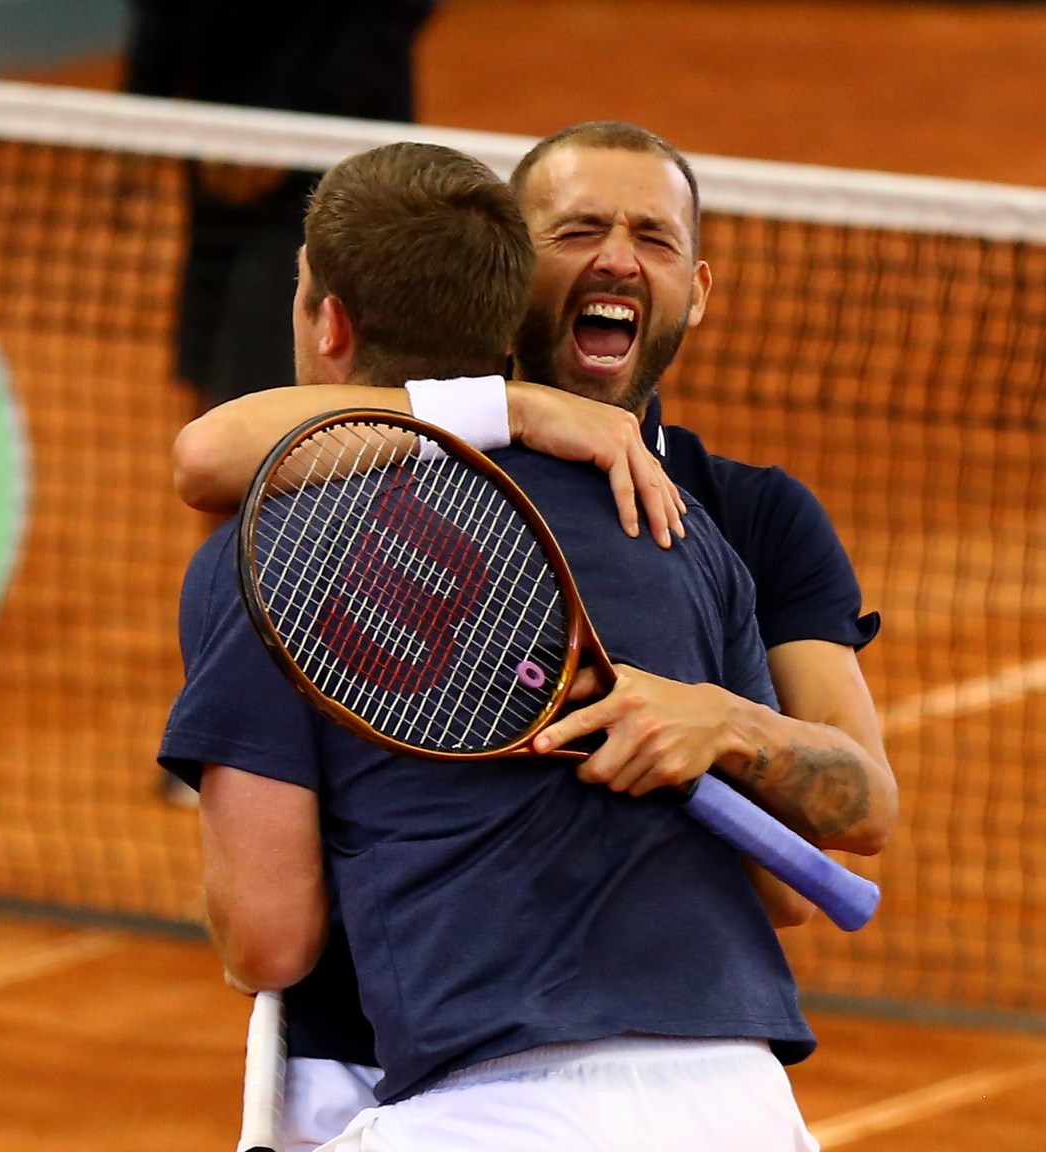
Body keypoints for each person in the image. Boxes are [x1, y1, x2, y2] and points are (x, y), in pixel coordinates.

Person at [169, 121, 896, 1148]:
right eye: (578, 230)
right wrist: (509, 408)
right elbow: (211, 452)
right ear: (512, 280)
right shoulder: (688, 548)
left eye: (652, 237)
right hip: (706, 1093)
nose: (613, 257)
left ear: (698, 286)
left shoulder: (738, 518)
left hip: (466, 1087)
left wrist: (721, 724)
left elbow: (265, 935)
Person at [122, 0, 436, 406]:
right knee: (208, 366)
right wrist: (137, 110)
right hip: (218, 152)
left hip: (339, 158)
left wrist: (291, 127)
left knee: (294, 375)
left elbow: (393, 14)